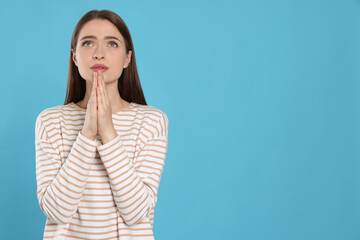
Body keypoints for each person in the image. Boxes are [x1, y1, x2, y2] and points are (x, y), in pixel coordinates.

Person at [35, 9, 169, 240]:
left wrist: (108, 132)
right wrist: (87, 134)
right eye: (88, 43)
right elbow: (57, 210)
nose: (99, 54)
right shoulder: (50, 121)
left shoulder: (152, 121)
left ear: (128, 58)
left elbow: (136, 212)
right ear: (75, 57)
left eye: (112, 44)